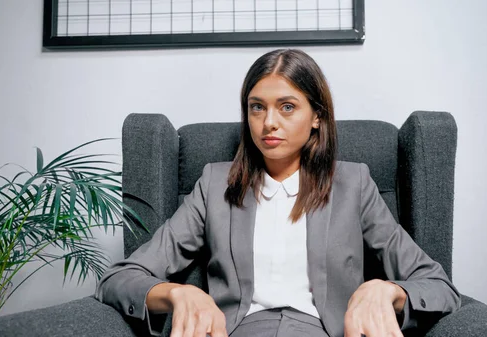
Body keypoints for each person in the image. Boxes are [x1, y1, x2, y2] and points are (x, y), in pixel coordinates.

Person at [95, 49, 461, 337]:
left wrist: (387, 291)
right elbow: (119, 279)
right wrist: (177, 294)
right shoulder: (214, 184)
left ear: (316, 116)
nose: (269, 122)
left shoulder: (354, 184)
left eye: (287, 107)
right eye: (257, 107)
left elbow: (438, 285)